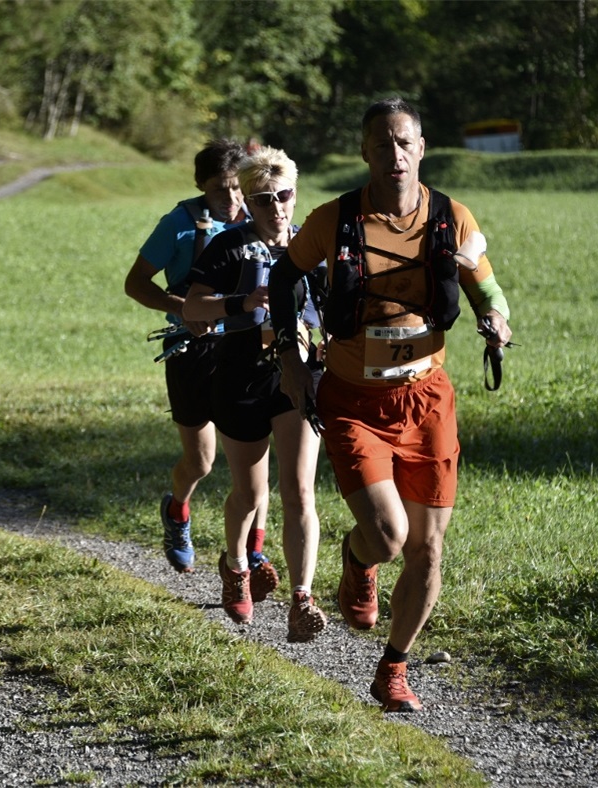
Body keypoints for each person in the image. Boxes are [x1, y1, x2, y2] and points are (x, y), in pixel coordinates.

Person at [268, 97, 513, 712]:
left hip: (428, 401)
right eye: (383, 144)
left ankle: (394, 668)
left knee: (428, 549)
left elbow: (486, 285)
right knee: (387, 534)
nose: (395, 155)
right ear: (365, 152)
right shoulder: (335, 219)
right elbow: (283, 277)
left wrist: (497, 320)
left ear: (422, 148)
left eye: (405, 143)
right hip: (353, 400)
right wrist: (292, 362)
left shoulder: (451, 217)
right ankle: (357, 557)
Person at [182, 147, 326, 640]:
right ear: (249, 201)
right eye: (264, 199)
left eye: (284, 196)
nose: (276, 208)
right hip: (240, 374)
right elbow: (193, 309)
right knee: (250, 491)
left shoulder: (311, 248)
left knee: (300, 490)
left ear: (295, 194)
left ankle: (301, 598)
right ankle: (236, 564)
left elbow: (337, 306)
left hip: (299, 376)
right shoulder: (228, 246)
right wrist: (245, 302)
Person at [124, 139, 269, 576]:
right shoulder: (179, 223)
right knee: (201, 461)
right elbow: (136, 283)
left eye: (236, 188)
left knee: (253, 463)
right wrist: (181, 309)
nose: (231, 200)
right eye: (219, 190)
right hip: (193, 350)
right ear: (200, 186)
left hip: (248, 348)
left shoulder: (259, 215)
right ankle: (177, 509)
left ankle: (252, 550)